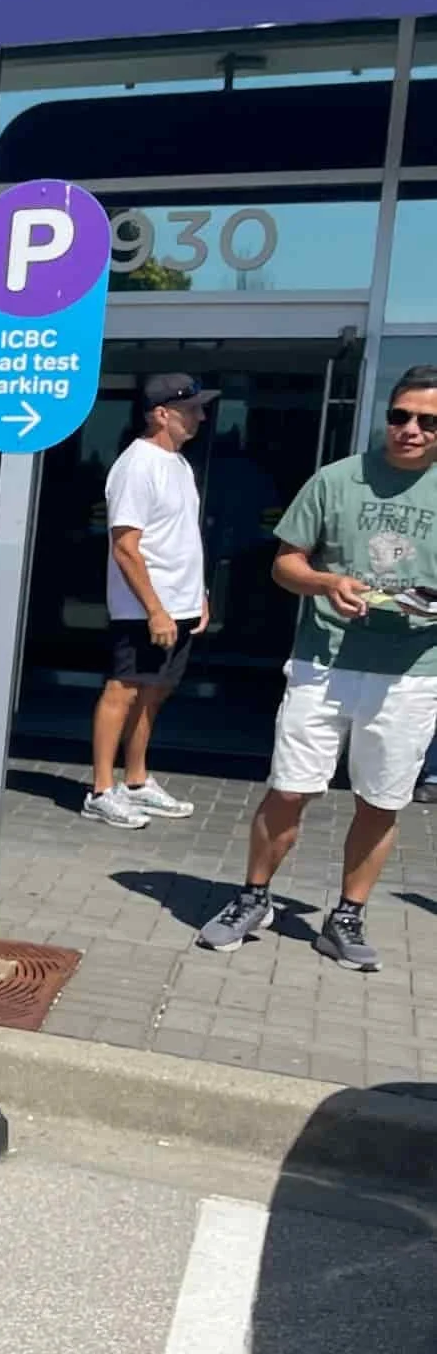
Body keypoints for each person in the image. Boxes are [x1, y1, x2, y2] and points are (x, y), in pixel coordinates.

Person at [198, 366, 437, 970]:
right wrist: (328, 582)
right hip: (324, 662)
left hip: (412, 673)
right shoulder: (338, 480)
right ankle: (253, 897)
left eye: (427, 421)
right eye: (400, 415)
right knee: (289, 789)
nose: (410, 429)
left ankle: (346, 917)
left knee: (381, 801)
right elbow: (285, 565)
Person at [84, 374, 214, 829]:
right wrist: (155, 609)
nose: (201, 415)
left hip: (179, 605)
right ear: (162, 413)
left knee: (154, 693)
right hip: (143, 607)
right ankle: (101, 790)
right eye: (192, 408)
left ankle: (136, 781)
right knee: (123, 690)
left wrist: (198, 595)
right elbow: (125, 545)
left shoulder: (178, 464)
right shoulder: (136, 465)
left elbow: (181, 537)